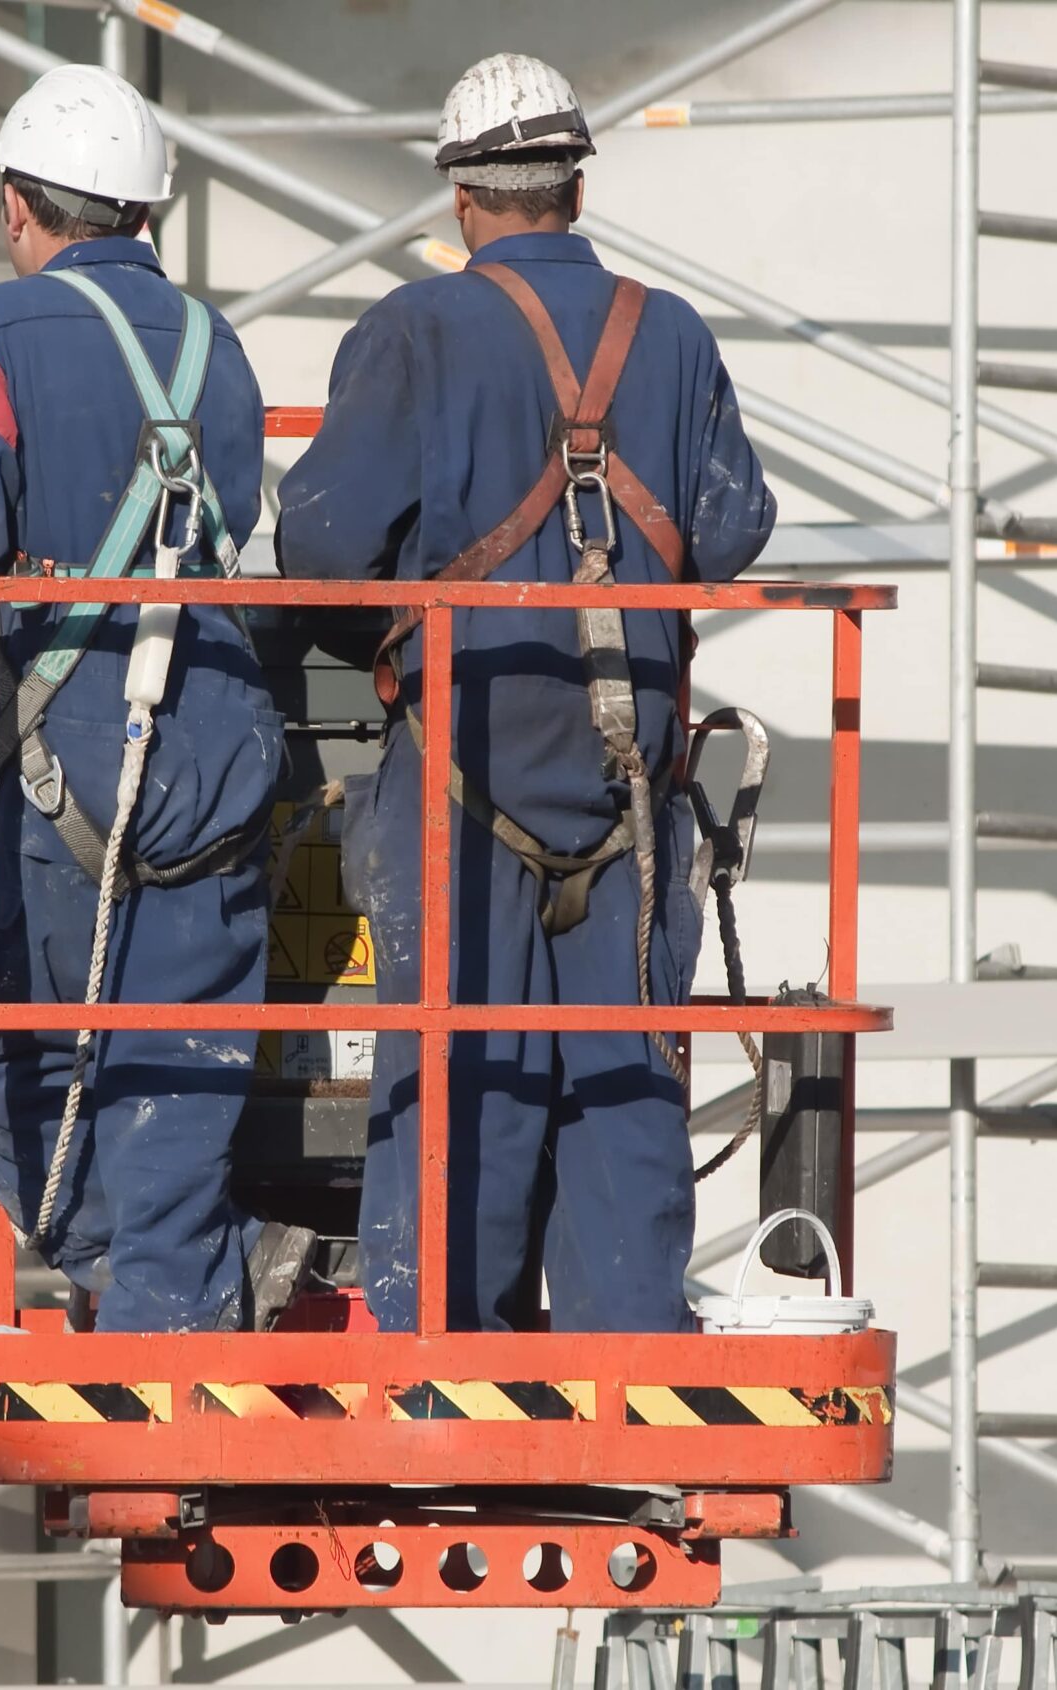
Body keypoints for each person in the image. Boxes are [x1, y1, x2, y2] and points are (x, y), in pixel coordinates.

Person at [0, 64, 310, 1334]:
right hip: (214, 729)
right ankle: (181, 1298)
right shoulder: (217, 342)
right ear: (145, 215)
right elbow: (224, 507)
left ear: (23, 206)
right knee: (184, 1052)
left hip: (60, 749)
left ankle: (139, 1281)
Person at [273, 52, 776, 1335]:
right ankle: (627, 1375)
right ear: (573, 182)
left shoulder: (416, 331)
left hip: (463, 770)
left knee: (457, 1071)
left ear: (461, 195)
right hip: (628, 785)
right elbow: (731, 526)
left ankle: (444, 1368)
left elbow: (323, 545)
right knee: (620, 1081)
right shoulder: (668, 332)